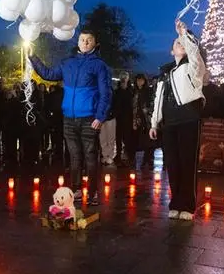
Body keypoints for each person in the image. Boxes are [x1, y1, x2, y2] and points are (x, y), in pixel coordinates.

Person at [28, 29, 112, 206]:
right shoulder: (68, 63)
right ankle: (76, 190)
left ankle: (94, 192)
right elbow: (49, 75)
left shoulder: (99, 65)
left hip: (89, 118)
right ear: (78, 42)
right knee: (74, 156)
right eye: (82, 39)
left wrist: (100, 116)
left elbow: (106, 93)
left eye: (89, 40)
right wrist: (33, 57)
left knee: (90, 156)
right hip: (68, 118)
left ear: (95, 44)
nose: (85, 43)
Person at [150, 19, 206, 221]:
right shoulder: (165, 73)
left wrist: (184, 34)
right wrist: (154, 123)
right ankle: (176, 202)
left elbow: (195, 56)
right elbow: (158, 99)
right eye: (177, 43)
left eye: (182, 42)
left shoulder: (192, 67)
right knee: (172, 164)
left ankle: (188, 206)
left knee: (187, 163)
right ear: (171, 51)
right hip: (170, 123)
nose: (180, 45)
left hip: (188, 118)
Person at [132, 73, 157, 169]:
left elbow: (152, 102)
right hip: (135, 118)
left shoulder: (148, 91)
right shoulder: (133, 91)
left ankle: (148, 158)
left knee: (148, 139)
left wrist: (148, 110)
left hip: (146, 119)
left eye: (141, 80)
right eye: (138, 80)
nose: (140, 82)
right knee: (137, 139)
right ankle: (135, 158)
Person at [112, 72, 134, 164]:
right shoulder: (116, 91)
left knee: (127, 138)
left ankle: (128, 155)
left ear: (128, 78)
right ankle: (118, 156)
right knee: (118, 137)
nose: (124, 78)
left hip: (128, 117)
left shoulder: (131, 91)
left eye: (125, 77)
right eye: (122, 77)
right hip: (118, 118)